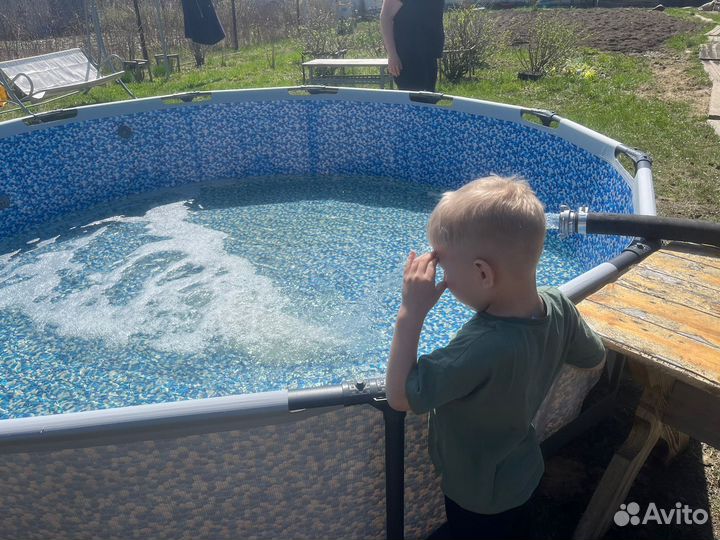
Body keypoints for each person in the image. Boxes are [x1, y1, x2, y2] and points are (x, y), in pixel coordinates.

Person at [385, 176, 606, 540]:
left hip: (476, 492)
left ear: (482, 273)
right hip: (522, 471)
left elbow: (400, 396)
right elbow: (592, 356)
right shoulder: (558, 306)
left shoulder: (478, 348)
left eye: (445, 269)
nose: (443, 280)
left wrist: (411, 312)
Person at [380, 0, 445, 92]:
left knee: (429, 99)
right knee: (412, 101)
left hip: (430, 55)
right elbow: (385, 17)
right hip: (408, 57)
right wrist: (392, 55)